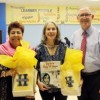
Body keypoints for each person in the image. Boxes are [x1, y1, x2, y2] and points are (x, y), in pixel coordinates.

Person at [70, 7, 100, 100]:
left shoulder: (99, 34)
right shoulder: (74, 36)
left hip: (96, 78)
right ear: (77, 18)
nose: (84, 17)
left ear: (92, 17)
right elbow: (72, 58)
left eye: (87, 14)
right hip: (79, 77)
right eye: (81, 15)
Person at [0, 21, 35, 100]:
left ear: (22, 35)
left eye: (18, 32)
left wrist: (32, 88)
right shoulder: (1, 50)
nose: (16, 35)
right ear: (8, 35)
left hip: (25, 91)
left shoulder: (29, 50)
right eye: (13, 32)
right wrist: (6, 73)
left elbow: (33, 72)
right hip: (6, 92)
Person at [35, 21, 68, 100]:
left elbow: (68, 65)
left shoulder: (64, 47)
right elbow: (35, 68)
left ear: (57, 31)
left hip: (62, 86)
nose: (51, 31)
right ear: (44, 32)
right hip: (45, 87)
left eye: (53, 29)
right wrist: (38, 82)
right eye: (48, 29)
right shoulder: (38, 48)